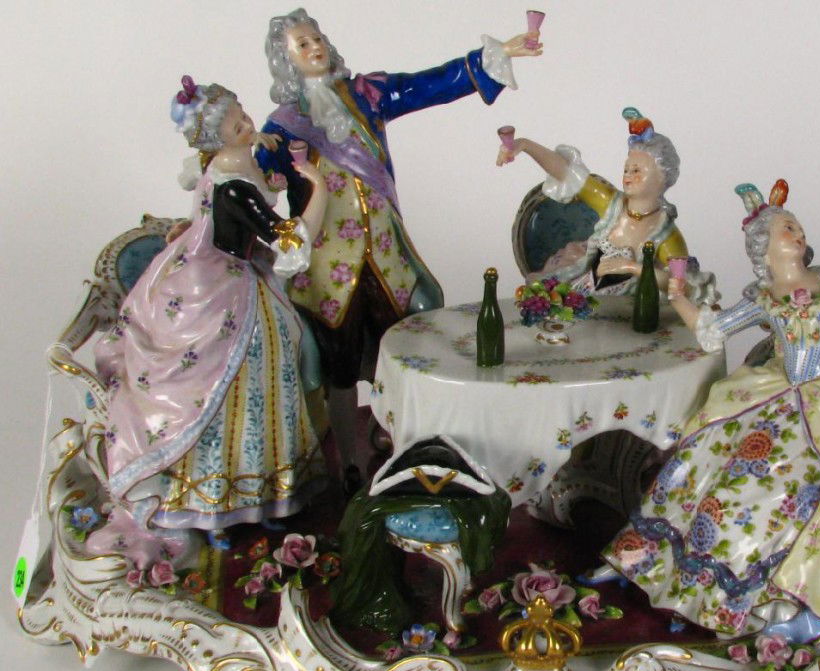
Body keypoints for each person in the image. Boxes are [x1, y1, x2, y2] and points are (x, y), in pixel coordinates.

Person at [599, 182, 820, 648]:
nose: (797, 234)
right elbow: (711, 331)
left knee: (793, 486)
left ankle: (786, 596)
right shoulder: (763, 297)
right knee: (699, 460)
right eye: (786, 229)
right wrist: (677, 293)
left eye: (797, 227)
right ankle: (649, 561)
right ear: (764, 247)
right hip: (772, 396)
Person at [257, 7, 543, 495]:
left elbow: (428, 84)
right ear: (287, 61)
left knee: (405, 349)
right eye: (302, 45)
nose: (315, 47)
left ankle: (397, 441)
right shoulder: (282, 126)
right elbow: (255, 188)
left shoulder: (367, 93)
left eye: (317, 37)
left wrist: (495, 56)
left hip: (388, 257)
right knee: (340, 363)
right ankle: (348, 462)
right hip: (328, 269)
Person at [90, 77, 329, 563]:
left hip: (221, 271)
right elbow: (290, 241)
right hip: (224, 290)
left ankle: (262, 493)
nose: (248, 125)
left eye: (243, 116)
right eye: (237, 126)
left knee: (277, 358)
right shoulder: (235, 187)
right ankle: (213, 505)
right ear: (214, 141)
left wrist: (260, 145)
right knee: (233, 385)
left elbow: (252, 178)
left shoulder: (229, 164)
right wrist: (318, 187)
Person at [497, 108, 717, 305]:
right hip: (581, 292)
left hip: (623, 310)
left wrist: (633, 268)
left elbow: (682, 287)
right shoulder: (612, 204)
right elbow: (565, 171)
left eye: (637, 170)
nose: (628, 176)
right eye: (626, 169)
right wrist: (524, 145)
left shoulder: (666, 235)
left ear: (662, 177)